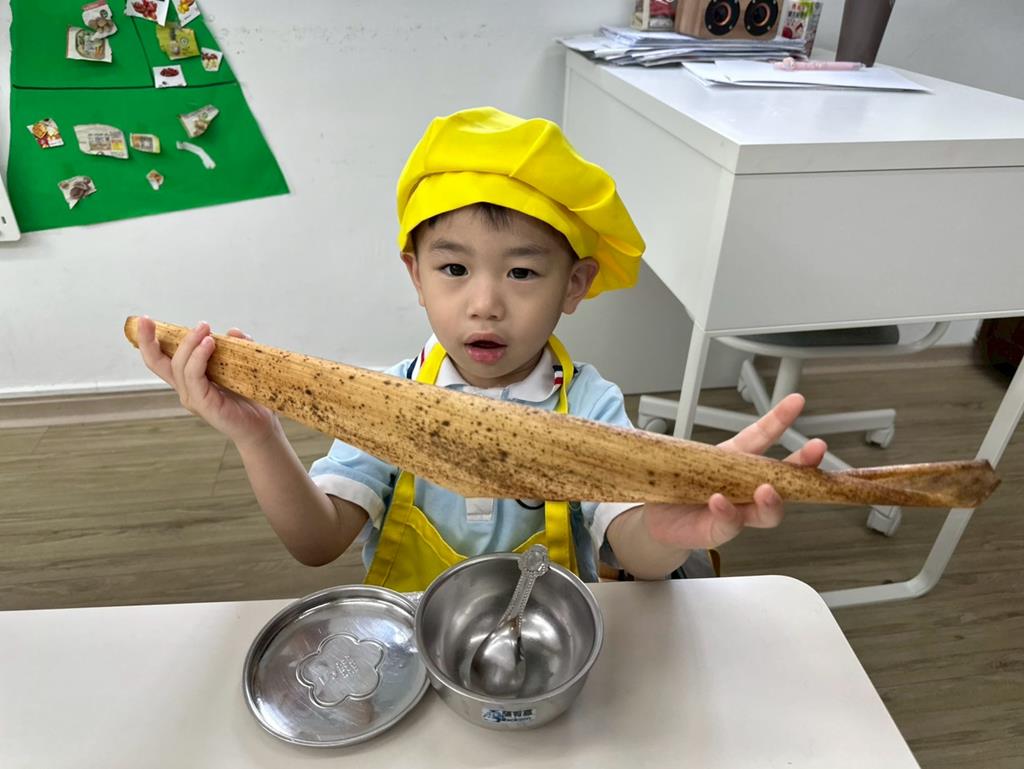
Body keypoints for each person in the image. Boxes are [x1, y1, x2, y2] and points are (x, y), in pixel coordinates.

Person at [136, 107, 826, 591]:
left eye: (522, 272)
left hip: (551, 647)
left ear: (574, 285)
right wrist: (258, 436)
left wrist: (672, 533)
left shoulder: (590, 405)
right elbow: (316, 544)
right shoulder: (388, 402)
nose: (485, 302)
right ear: (416, 276)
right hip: (410, 648)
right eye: (454, 268)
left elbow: (635, 552)